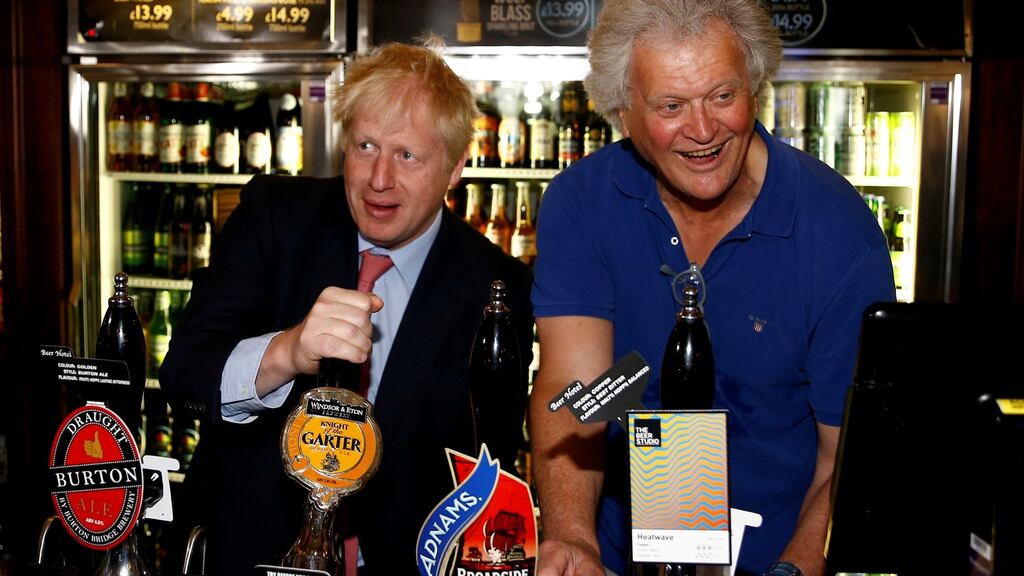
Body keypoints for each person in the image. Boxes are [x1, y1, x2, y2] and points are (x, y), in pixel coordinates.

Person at [528, 1, 896, 575]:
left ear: (755, 87)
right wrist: (574, 539)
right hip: (619, 561)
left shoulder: (838, 233)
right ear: (624, 112)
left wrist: (793, 570)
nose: (703, 131)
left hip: (772, 558)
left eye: (722, 96)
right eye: (671, 106)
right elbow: (578, 387)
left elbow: (845, 457)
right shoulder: (583, 203)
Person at [160, 41, 533, 576]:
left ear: (455, 167)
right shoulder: (274, 217)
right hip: (247, 555)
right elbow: (185, 376)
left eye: (407, 156)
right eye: (365, 146)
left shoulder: (498, 285)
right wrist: (285, 352)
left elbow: (490, 463)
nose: (379, 179)